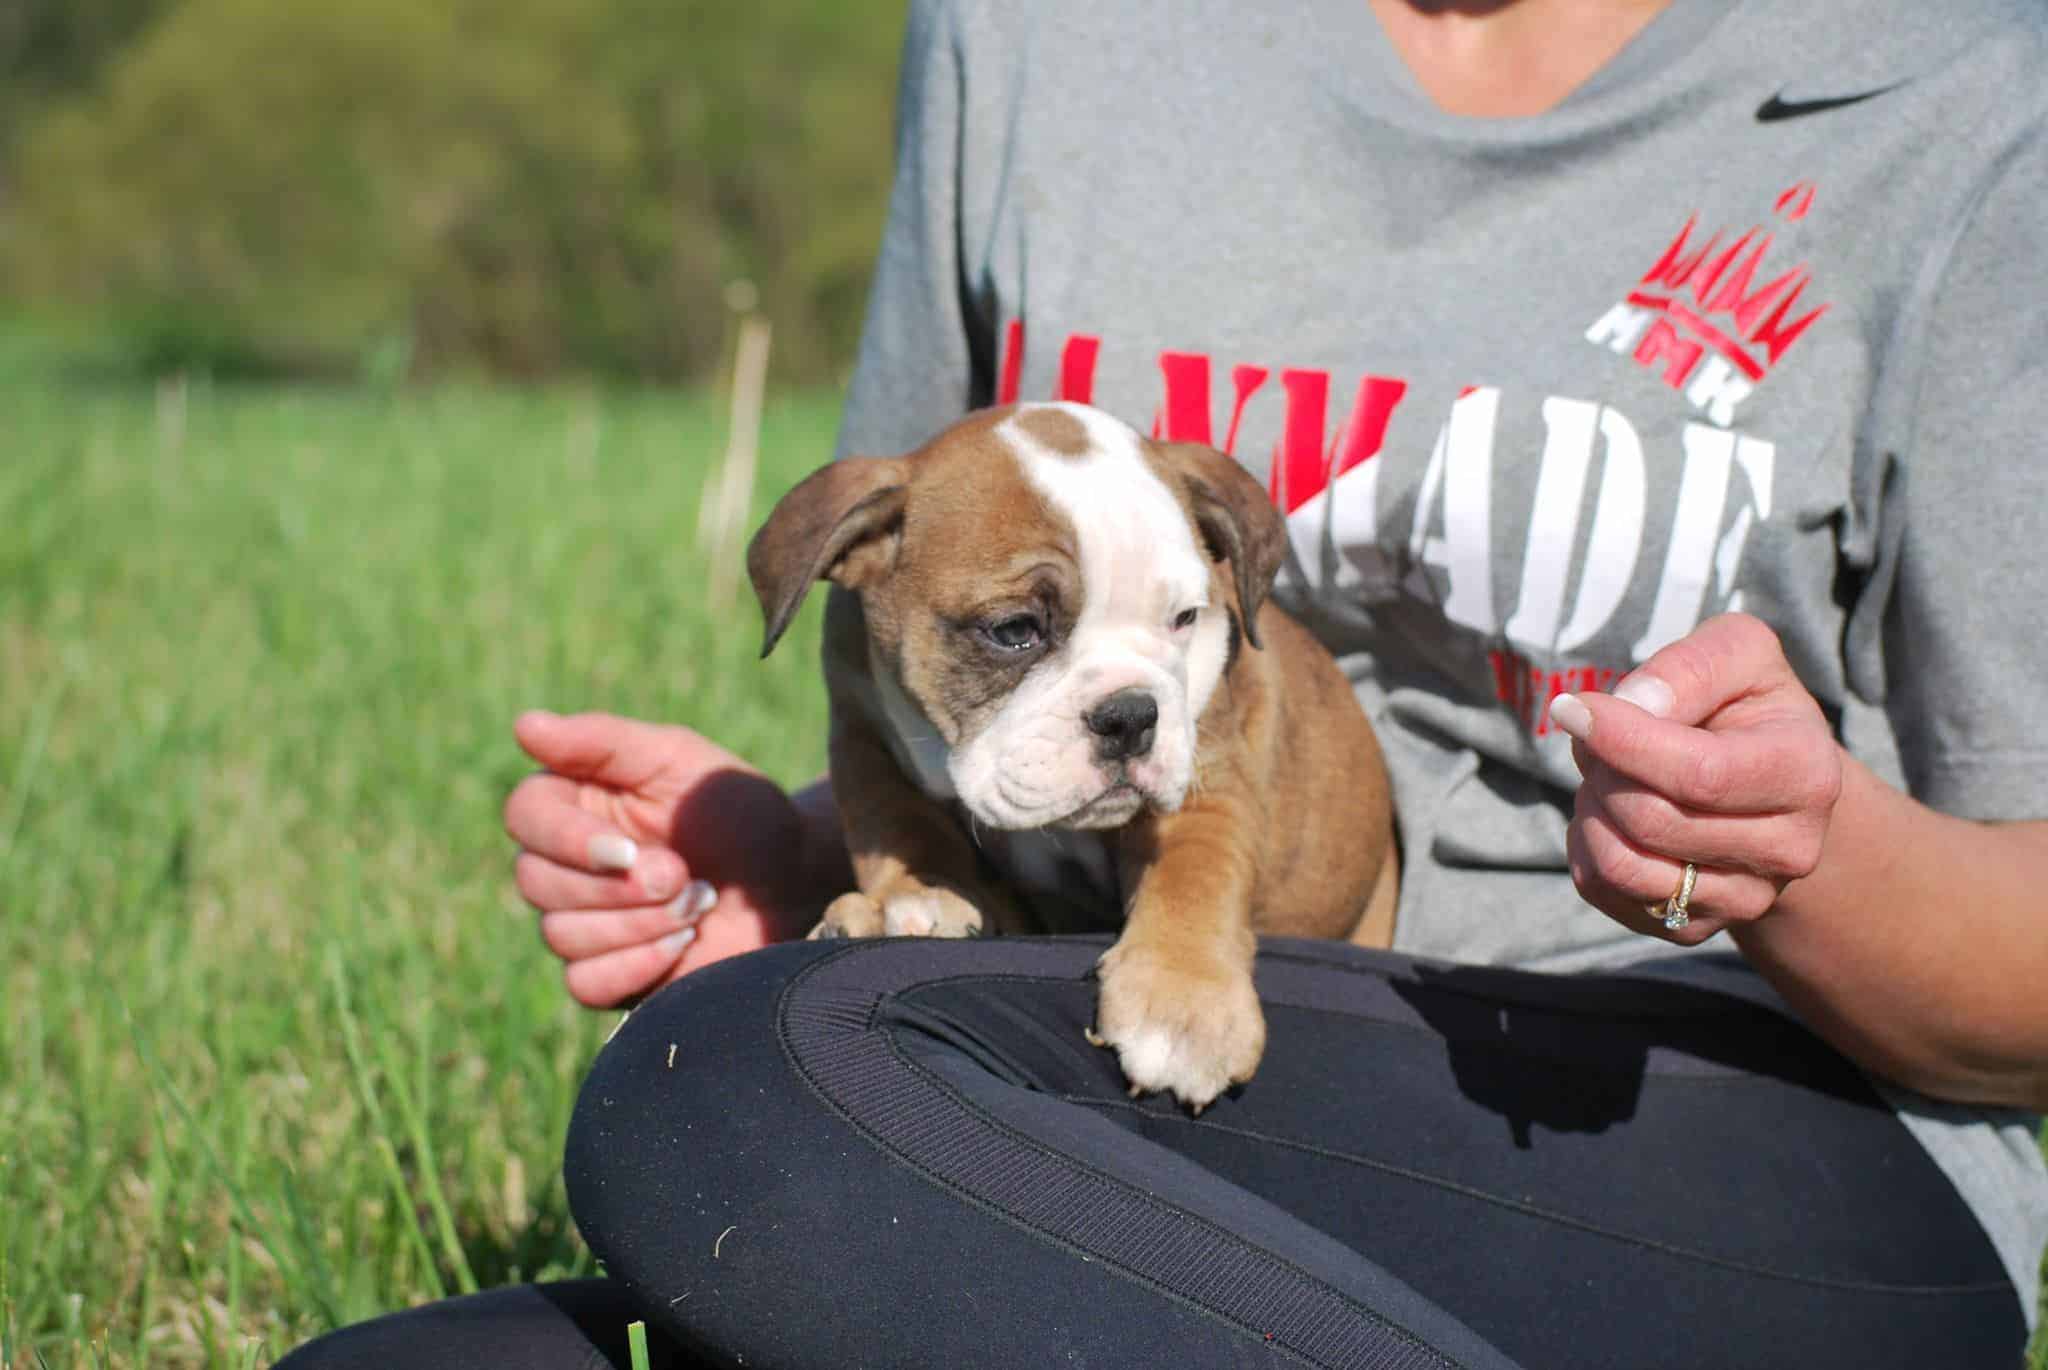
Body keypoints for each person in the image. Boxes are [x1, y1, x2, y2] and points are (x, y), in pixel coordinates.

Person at [281, 0, 2048, 1364]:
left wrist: (1798, 857)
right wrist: (812, 856)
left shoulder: (1964, 96)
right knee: (605, 1185)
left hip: (1728, 1092)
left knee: (746, 1119)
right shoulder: (1042, 36)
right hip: (1139, 1018)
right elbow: (941, 644)